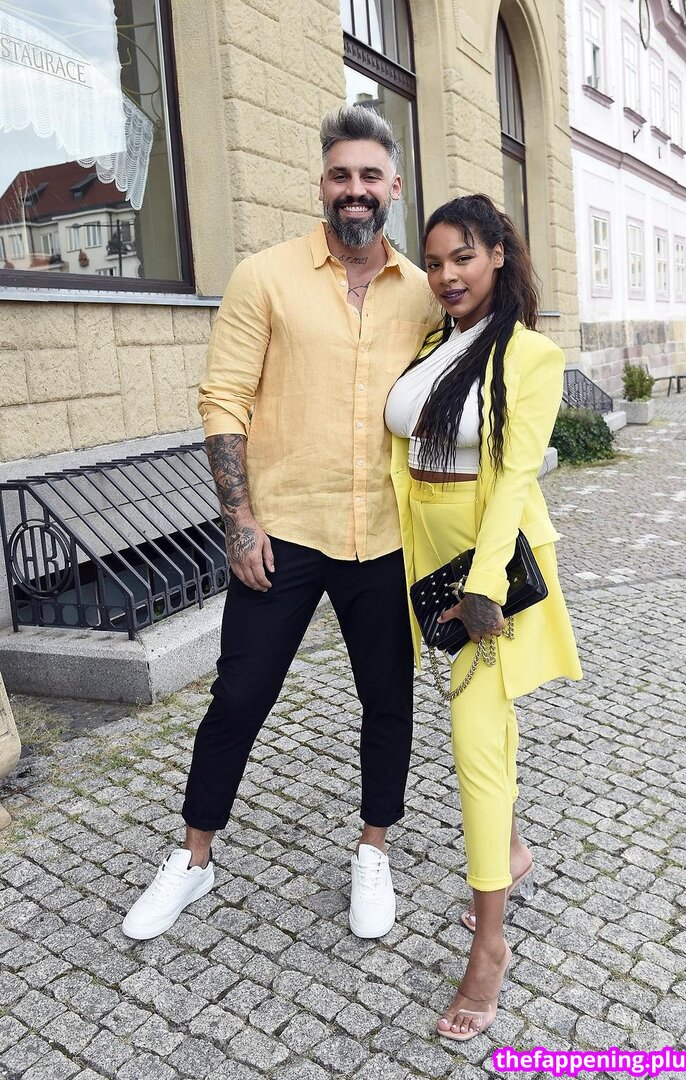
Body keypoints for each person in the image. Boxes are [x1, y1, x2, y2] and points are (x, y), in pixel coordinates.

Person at [121, 105, 438, 942]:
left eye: (369, 176)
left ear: (392, 188)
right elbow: (223, 398)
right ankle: (194, 859)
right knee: (239, 696)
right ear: (321, 184)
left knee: (388, 700)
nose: (354, 189)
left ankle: (372, 847)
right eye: (340, 175)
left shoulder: (422, 294)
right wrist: (239, 519)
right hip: (283, 533)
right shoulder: (264, 276)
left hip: (385, 535)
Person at [385, 194, 582, 1040]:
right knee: (482, 727)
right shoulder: (434, 342)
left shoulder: (530, 354)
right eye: (433, 262)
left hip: (484, 570)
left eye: (461, 257)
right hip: (421, 557)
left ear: (498, 252)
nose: (445, 275)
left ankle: (488, 949)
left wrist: (483, 588)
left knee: (474, 743)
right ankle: (511, 850)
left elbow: (512, 479)